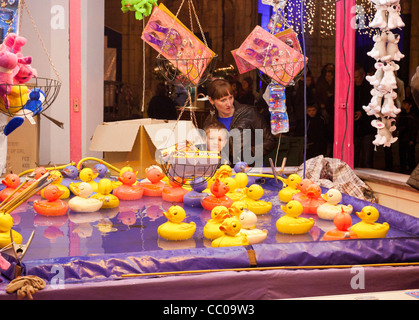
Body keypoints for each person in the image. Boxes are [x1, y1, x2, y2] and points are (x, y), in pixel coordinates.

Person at [202, 79, 277, 166]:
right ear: (211, 100)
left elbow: (270, 140)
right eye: (223, 100)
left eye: (230, 98)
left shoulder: (249, 113)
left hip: (250, 169)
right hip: (223, 171)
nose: (229, 104)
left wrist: (250, 153)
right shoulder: (210, 120)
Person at [354, 65, 375, 168]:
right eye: (353, 77)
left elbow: (374, 106)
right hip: (354, 130)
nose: (355, 79)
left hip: (368, 128)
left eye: (357, 77)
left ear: (363, 75)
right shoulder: (351, 88)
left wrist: (362, 112)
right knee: (353, 159)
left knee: (367, 160)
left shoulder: (370, 88)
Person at [397, 98, 418, 174]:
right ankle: (403, 168)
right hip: (402, 137)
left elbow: (414, 128)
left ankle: (411, 169)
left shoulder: (413, 116)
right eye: (403, 104)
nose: (404, 106)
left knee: (410, 155)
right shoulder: (402, 115)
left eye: (405, 104)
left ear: (410, 105)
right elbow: (399, 126)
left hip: (409, 138)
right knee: (402, 155)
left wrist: (412, 139)